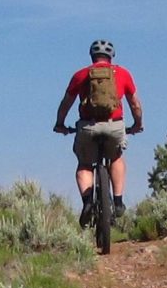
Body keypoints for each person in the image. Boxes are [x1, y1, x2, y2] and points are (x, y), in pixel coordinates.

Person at [53, 38, 144, 224]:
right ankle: (118, 202)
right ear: (111, 56)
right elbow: (135, 104)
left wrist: (60, 124)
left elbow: (65, 104)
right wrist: (137, 124)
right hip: (114, 125)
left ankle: (87, 202)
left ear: (92, 56)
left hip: (88, 126)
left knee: (84, 164)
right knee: (116, 157)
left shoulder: (80, 75)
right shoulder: (123, 73)